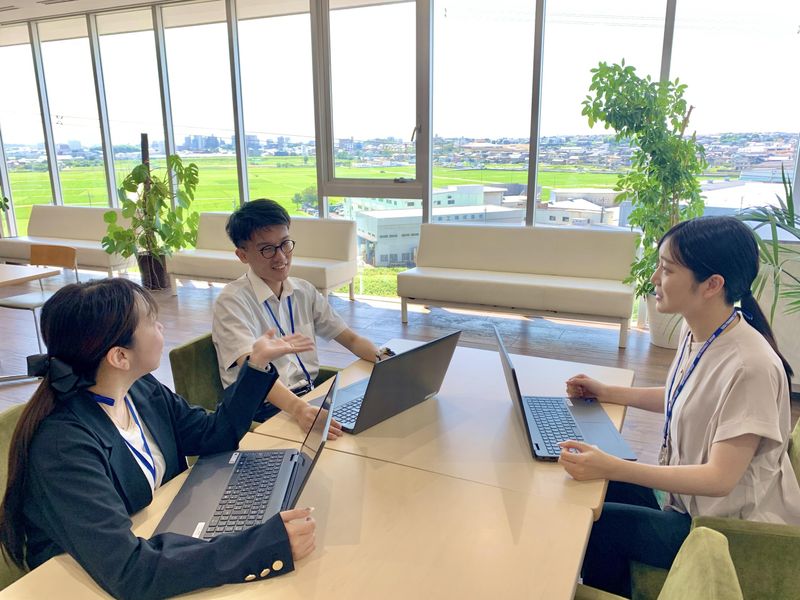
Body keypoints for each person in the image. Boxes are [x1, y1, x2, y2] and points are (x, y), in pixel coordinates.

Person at [0, 278, 318, 600]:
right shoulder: (62, 446)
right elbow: (130, 571)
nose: (162, 326)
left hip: (155, 539)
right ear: (120, 357)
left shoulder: (139, 389)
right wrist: (260, 546)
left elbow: (214, 435)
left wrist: (256, 365)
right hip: (76, 583)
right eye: (151, 321)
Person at [558, 216, 800, 597]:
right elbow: (683, 397)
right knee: (601, 485)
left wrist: (612, 465)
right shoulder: (700, 330)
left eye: (667, 269)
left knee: (595, 524)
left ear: (712, 285)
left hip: (722, 530)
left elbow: (719, 479)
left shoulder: (750, 366)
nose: (654, 278)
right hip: (686, 505)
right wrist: (606, 392)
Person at [212, 199, 392, 431]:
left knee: (379, 420)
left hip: (308, 397)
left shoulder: (303, 291)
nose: (281, 257)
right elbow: (253, 371)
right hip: (261, 410)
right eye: (267, 249)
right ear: (242, 255)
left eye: (285, 244)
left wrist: (387, 362)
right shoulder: (232, 302)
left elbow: (351, 339)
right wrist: (299, 409)